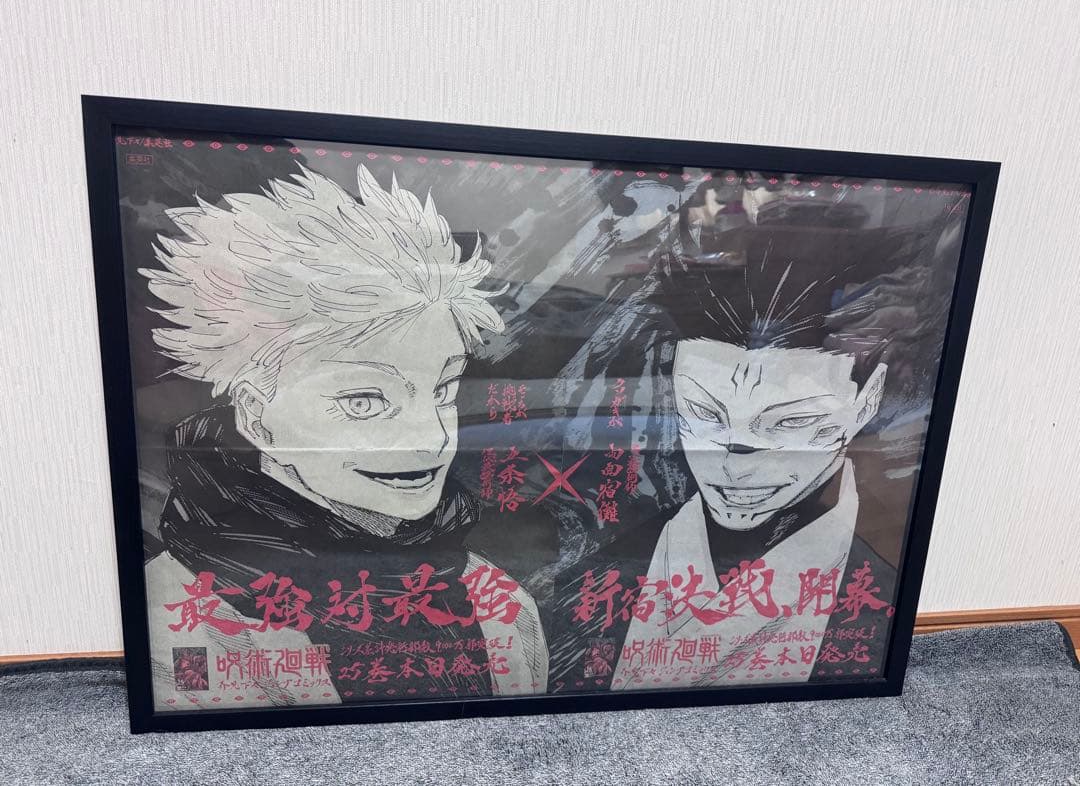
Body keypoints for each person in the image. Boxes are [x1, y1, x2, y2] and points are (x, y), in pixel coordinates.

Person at [140, 164, 548, 710]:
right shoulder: (181, 625)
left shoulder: (500, 607)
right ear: (257, 418)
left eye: (444, 390)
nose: (430, 439)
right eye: (364, 401)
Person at [607, 224, 901, 690]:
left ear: (866, 402)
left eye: (790, 422)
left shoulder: (882, 589)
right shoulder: (611, 568)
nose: (735, 464)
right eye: (705, 413)